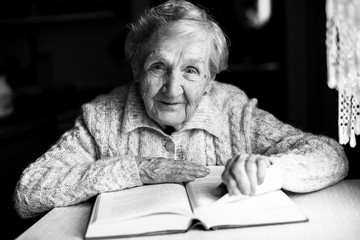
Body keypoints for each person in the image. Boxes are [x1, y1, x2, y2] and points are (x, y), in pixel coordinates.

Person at [14, 0, 348, 219]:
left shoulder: (233, 110)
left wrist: (268, 171)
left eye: (191, 70)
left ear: (209, 78)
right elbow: (28, 193)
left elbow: (330, 156)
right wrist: (137, 170)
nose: (173, 89)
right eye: (158, 67)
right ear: (136, 69)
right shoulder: (103, 118)